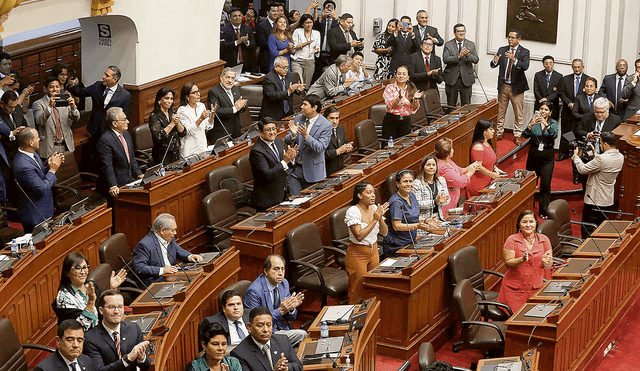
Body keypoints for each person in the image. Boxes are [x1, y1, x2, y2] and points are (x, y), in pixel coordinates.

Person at [244, 255, 308, 347]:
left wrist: (291, 309)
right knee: (303, 336)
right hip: (265, 335)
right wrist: (281, 310)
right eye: (276, 269)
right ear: (266, 271)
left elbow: (292, 318)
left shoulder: (283, 283)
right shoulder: (255, 291)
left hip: (281, 328)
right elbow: (256, 323)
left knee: (304, 338)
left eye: (283, 269)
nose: (281, 273)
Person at [497, 210, 553, 313]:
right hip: (515, 291)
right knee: (518, 321)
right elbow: (508, 263)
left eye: (531, 222)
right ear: (519, 224)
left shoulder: (544, 240)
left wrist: (546, 262)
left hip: (537, 288)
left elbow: (549, 264)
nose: (528, 225)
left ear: (536, 223)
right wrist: (521, 260)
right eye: (524, 222)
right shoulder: (512, 240)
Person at [55, 252, 126, 330]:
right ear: (67, 273)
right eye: (78, 268)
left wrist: (112, 288)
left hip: (101, 331)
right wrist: (91, 302)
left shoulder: (90, 286)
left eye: (85, 267)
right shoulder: (64, 298)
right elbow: (78, 328)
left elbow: (104, 309)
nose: (83, 272)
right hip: (83, 339)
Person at [83, 289, 151, 371]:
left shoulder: (134, 329)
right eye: (111, 307)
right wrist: (127, 359)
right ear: (101, 310)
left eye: (120, 307)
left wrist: (142, 358)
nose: (117, 311)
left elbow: (147, 365)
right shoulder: (90, 338)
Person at [573, 132, 624, 238]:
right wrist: (594, 154)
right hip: (607, 198)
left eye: (600, 143)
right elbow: (603, 163)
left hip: (594, 199)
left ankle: (587, 251)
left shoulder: (601, 159)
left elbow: (582, 169)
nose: (600, 145)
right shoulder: (620, 157)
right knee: (602, 227)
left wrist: (575, 157)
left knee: (587, 228)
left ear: (605, 144)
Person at [344, 181, 388, 303]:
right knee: (357, 290)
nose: (373, 195)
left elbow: (384, 233)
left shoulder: (375, 208)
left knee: (373, 286)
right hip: (357, 255)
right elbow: (359, 235)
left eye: (373, 192)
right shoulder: (353, 211)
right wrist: (374, 220)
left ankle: (371, 316)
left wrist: (380, 219)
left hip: (373, 252)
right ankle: (354, 318)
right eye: (369, 192)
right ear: (360, 195)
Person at [13, 127, 64, 232]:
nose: (39, 139)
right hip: (35, 216)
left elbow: (38, 173)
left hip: (44, 210)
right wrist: (52, 170)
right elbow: (41, 189)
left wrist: (51, 165)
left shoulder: (32, 154)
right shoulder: (23, 165)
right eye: (37, 137)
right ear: (31, 143)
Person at [132, 213, 204, 286]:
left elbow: (177, 250)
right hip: (157, 282)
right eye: (173, 230)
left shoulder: (169, 237)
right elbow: (140, 268)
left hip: (173, 276)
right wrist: (163, 270)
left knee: (199, 281)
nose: (175, 233)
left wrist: (190, 256)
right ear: (162, 230)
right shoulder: (145, 245)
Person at [284, 94, 332, 195]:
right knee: (295, 202)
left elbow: (320, 147)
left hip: (313, 172)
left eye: (305, 104)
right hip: (295, 170)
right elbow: (287, 140)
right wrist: (293, 135)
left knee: (310, 204)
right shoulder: (299, 118)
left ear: (314, 108)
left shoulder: (326, 125)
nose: (301, 107)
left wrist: (306, 136)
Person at [230, 306, 303, 371]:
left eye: (269, 325)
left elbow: (299, 366)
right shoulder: (239, 354)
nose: (266, 330)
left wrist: (286, 368)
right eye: (260, 326)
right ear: (249, 327)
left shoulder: (283, 340)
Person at [490, 29, 530, 145]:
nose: (510, 39)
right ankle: (498, 133)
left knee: (518, 113)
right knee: (500, 111)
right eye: (509, 37)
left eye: (512, 37)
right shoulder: (502, 49)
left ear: (519, 39)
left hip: (517, 88)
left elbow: (525, 66)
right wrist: (494, 61)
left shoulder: (524, 52)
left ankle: (517, 135)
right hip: (503, 86)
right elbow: (493, 65)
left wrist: (514, 59)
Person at [68, 65, 131, 138]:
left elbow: (126, 117)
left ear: (115, 79)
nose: (103, 76)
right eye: (104, 74)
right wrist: (72, 85)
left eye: (107, 76)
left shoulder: (124, 95)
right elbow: (80, 93)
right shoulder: (97, 86)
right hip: (94, 130)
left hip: (111, 133)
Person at [249, 117, 298, 211]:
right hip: (268, 200)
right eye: (268, 130)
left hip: (282, 194)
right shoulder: (257, 151)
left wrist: (291, 159)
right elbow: (267, 175)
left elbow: (285, 166)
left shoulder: (278, 141)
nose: (272, 132)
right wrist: (285, 161)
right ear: (260, 132)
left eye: (274, 129)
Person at [381, 170, 431, 257]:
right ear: (398, 184)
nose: (408, 184)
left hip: (410, 242)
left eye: (410, 181)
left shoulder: (411, 195)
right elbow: (396, 226)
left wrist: (426, 220)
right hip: (397, 246)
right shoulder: (396, 202)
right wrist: (417, 226)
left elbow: (412, 215)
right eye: (405, 181)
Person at [96, 107, 143, 200]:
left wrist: (138, 174)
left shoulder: (126, 134)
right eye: (124, 120)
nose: (128, 122)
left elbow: (131, 157)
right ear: (114, 123)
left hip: (128, 179)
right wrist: (113, 185)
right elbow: (107, 166)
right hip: (116, 184)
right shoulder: (105, 140)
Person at [522, 101, 557, 217]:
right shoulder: (534, 122)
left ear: (550, 112)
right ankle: (528, 208)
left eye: (546, 109)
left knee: (545, 184)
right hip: (534, 155)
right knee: (531, 183)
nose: (543, 111)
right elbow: (525, 134)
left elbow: (554, 135)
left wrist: (546, 124)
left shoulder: (553, 123)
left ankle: (543, 210)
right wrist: (530, 124)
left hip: (547, 156)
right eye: (542, 109)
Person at [33, 76, 78, 160]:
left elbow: (76, 118)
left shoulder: (64, 100)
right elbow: (39, 122)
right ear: (45, 89)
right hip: (49, 147)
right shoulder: (38, 104)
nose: (55, 89)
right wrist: (49, 106)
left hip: (66, 145)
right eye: (51, 87)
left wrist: (73, 107)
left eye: (57, 86)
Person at [435, 137, 479, 217]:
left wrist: (470, 167)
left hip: (453, 199)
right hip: (446, 203)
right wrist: (470, 172)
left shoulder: (447, 160)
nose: (453, 150)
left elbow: (458, 171)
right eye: (452, 148)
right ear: (447, 152)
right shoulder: (443, 168)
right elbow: (460, 182)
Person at [557, 59, 589, 161]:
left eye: (579, 67)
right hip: (567, 110)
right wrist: (569, 103)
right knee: (566, 132)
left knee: (579, 133)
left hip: (581, 112)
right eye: (575, 67)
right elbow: (561, 93)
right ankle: (563, 153)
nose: (577, 69)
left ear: (583, 67)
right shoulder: (565, 79)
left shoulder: (588, 80)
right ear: (572, 67)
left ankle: (579, 154)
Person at [466, 119, 507, 198]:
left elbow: (487, 161)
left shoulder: (488, 143)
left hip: (486, 182)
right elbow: (478, 166)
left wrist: (494, 168)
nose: (493, 131)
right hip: (478, 185)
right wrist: (491, 174)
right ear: (484, 131)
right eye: (491, 129)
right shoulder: (478, 147)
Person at [381, 65, 422, 140]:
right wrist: (398, 98)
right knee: (389, 146)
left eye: (404, 74)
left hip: (405, 122)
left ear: (408, 77)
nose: (401, 76)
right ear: (396, 76)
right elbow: (390, 105)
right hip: (391, 121)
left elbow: (414, 108)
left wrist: (415, 99)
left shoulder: (411, 88)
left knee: (404, 147)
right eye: (399, 74)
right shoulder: (389, 87)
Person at [442, 23, 479, 107]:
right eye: (459, 31)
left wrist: (468, 55)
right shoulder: (448, 44)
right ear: (454, 33)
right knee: (451, 105)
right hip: (452, 78)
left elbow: (476, 60)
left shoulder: (471, 44)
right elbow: (445, 59)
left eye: (463, 31)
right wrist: (458, 56)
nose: (461, 33)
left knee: (466, 106)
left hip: (466, 79)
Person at [413, 154, 450, 236]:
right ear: (423, 167)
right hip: (424, 221)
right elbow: (416, 204)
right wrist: (434, 202)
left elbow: (447, 199)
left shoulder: (441, 180)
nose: (431, 167)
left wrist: (442, 201)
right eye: (428, 165)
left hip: (439, 218)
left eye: (433, 165)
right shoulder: (417, 183)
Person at [207, 68, 247, 143]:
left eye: (232, 78)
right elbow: (216, 112)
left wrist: (242, 106)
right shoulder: (213, 92)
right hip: (221, 134)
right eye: (227, 77)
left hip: (236, 132)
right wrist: (235, 108)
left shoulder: (235, 89)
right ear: (221, 77)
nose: (230, 81)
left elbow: (240, 108)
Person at [149, 88, 185, 165]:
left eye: (171, 99)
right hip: (163, 155)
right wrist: (172, 124)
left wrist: (177, 122)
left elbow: (183, 133)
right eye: (167, 98)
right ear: (159, 100)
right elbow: (158, 137)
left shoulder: (172, 113)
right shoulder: (154, 116)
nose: (170, 101)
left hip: (175, 152)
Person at [178, 82, 215, 158]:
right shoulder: (182, 111)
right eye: (194, 92)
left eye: (198, 91)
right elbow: (188, 132)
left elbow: (207, 127)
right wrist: (200, 119)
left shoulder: (201, 106)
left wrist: (212, 116)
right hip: (189, 150)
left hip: (202, 146)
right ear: (187, 96)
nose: (198, 94)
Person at [261, 56, 304, 120]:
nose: (286, 70)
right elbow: (272, 96)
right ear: (276, 67)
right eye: (284, 68)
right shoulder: (269, 78)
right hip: (273, 114)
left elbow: (293, 88)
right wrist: (288, 92)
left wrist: (298, 89)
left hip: (288, 113)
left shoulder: (290, 75)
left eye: (287, 67)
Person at [220, 7, 257, 73]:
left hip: (246, 65)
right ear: (230, 18)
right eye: (235, 16)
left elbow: (254, 45)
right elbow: (223, 46)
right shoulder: (224, 30)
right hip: (231, 65)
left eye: (239, 16)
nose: (237, 18)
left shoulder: (247, 29)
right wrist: (237, 42)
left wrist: (246, 42)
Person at [291, 13, 320, 88]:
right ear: (302, 24)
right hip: (297, 60)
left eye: (310, 22)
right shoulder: (297, 31)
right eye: (306, 23)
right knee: (299, 83)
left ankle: (303, 99)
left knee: (306, 85)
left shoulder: (316, 33)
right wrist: (304, 44)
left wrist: (316, 50)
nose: (309, 25)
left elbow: (317, 46)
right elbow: (294, 47)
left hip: (310, 61)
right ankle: (297, 99)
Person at [323, 106, 352, 175]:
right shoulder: (321, 132)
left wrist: (347, 147)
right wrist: (337, 151)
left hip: (340, 168)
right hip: (326, 171)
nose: (335, 121)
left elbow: (343, 142)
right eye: (331, 118)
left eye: (337, 118)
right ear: (325, 119)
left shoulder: (340, 128)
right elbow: (320, 154)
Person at [533, 55, 563, 121]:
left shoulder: (559, 76)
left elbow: (558, 92)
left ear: (553, 64)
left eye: (550, 63)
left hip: (553, 106)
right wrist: (541, 100)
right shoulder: (538, 75)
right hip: (539, 104)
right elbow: (536, 90)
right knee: (537, 124)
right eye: (546, 63)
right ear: (543, 64)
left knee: (551, 126)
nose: (548, 65)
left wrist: (547, 99)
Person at [314, 0, 339, 76]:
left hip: (332, 53)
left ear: (334, 10)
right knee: (317, 74)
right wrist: (321, 16)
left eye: (331, 8)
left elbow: (342, 32)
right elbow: (314, 27)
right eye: (327, 8)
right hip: (320, 52)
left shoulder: (337, 21)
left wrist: (336, 18)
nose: (329, 10)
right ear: (324, 9)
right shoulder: (321, 20)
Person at [256, 3, 280, 73]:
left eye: (277, 11)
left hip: (280, 58)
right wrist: (277, 44)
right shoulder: (262, 25)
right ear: (268, 12)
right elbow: (261, 42)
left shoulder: (281, 24)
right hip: (267, 58)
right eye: (273, 11)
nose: (276, 13)